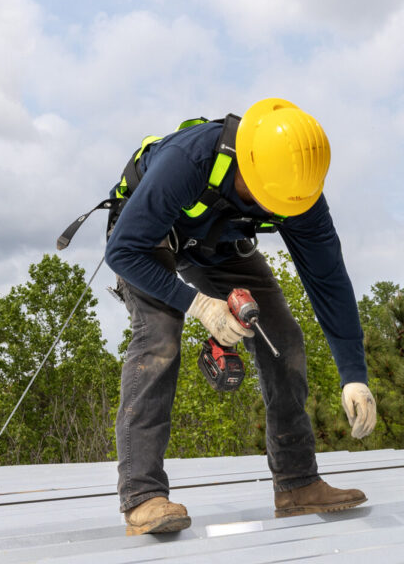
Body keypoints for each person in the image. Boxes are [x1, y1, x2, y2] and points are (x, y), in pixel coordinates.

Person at [104, 98, 377, 537]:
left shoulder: (295, 188)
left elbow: (329, 281)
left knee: (283, 338)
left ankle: (297, 484)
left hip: (218, 245)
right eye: (264, 200)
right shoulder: (188, 161)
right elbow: (121, 251)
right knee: (160, 337)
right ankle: (142, 496)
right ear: (247, 166)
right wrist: (200, 305)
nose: (272, 212)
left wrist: (354, 374)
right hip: (146, 242)